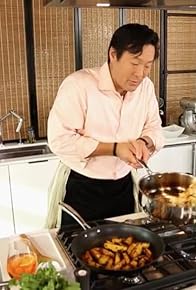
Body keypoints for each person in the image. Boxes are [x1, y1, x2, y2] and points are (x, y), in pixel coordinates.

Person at [47, 23, 164, 226]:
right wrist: (115, 149)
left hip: (124, 186)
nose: (141, 74)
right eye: (135, 63)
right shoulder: (79, 85)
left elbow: (154, 126)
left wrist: (144, 142)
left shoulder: (146, 88)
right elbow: (60, 140)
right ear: (113, 54)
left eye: (147, 66)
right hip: (82, 187)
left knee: (124, 248)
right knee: (76, 250)